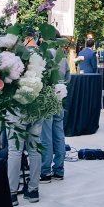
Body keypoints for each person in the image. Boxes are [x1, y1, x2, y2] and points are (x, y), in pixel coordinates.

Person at [8, 37, 43, 206]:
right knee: (35, 150)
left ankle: (12, 193)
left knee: (15, 151)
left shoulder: (13, 59)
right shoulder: (41, 59)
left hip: (16, 108)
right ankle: (33, 190)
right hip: (35, 109)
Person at [40, 36, 70, 184]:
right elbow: (68, 78)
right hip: (59, 98)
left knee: (46, 136)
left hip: (47, 98)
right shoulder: (63, 57)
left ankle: (45, 171)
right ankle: (59, 169)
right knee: (59, 134)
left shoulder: (43, 54)